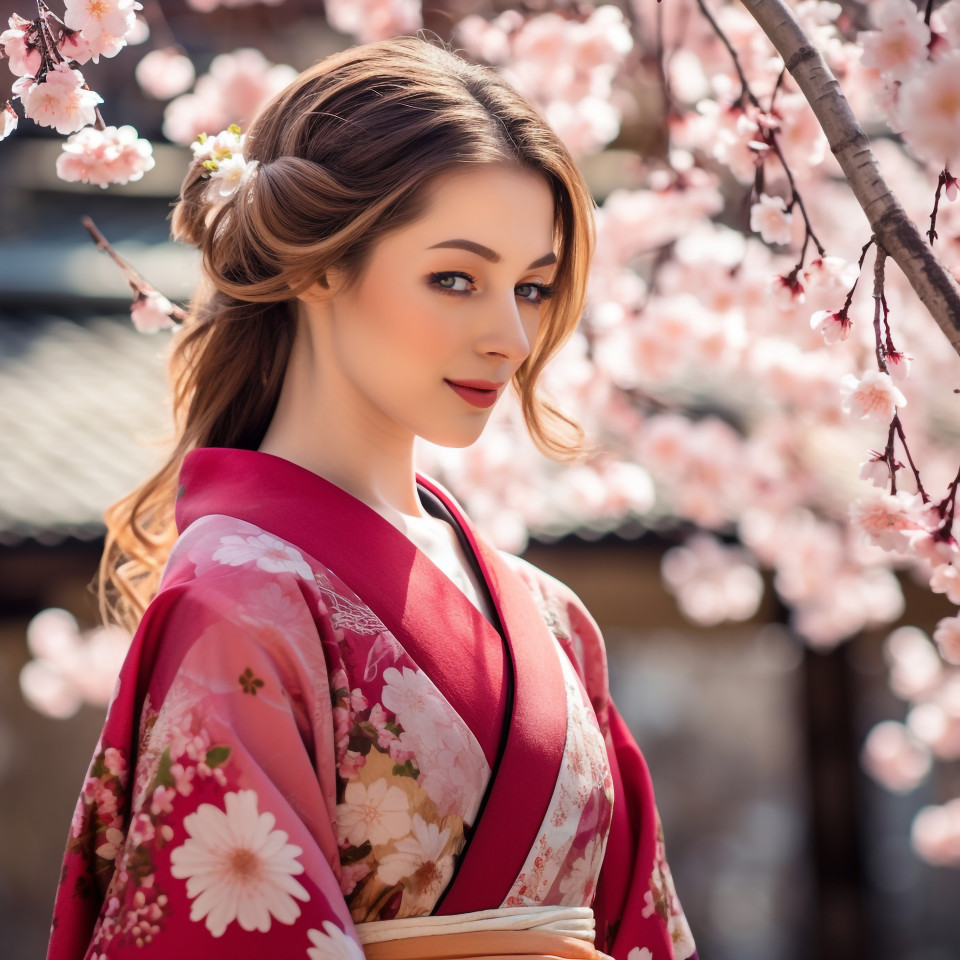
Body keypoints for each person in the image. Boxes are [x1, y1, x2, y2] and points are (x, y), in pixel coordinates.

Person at [47, 37, 696, 960]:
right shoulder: (238, 602)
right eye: (455, 279)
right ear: (314, 264)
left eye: (534, 287)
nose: (510, 336)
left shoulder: (554, 620)